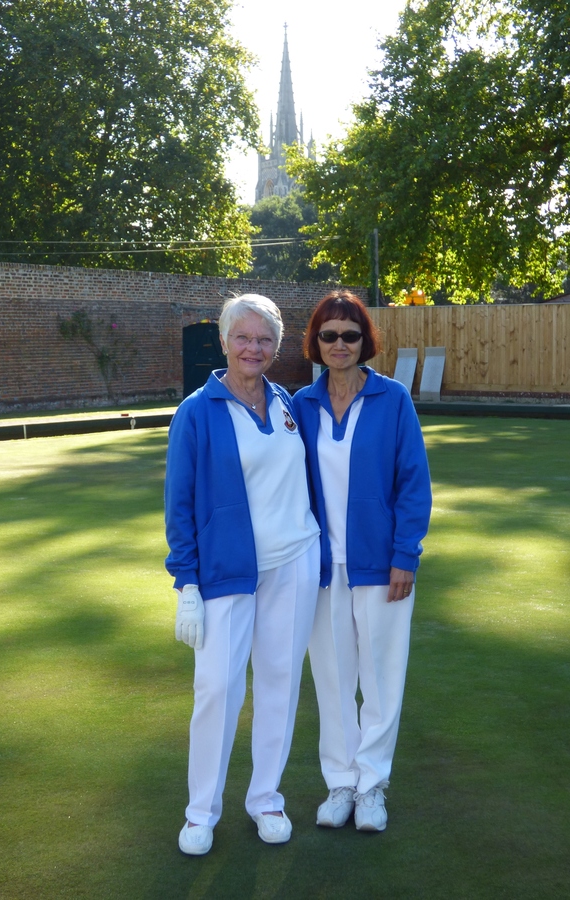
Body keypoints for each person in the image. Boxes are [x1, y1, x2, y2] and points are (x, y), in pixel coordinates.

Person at [165, 294, 320, 856]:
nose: (253, 348)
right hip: (227, 574)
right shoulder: (196, 411)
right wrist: (186, 583)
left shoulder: (285, 402)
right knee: (218, 690)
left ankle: (267, 800)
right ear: (225, 341)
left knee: (280, 683)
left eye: (264, 340)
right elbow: (179, 505)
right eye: (243, 337)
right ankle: (201, 811)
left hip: (295, 563)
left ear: (277, 347)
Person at [292, 291, 431, 833]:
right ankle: (341, 783)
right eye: (330, 335)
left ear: (364, 340)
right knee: (332, 679)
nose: (341, 344)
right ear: (316, 342)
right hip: (321, 570)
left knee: (381, 680)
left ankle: (372, 784)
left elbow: (413, 484)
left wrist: (405, 555)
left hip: (382, 566)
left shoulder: (393, 400)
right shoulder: (300, 407)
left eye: (351, 334)